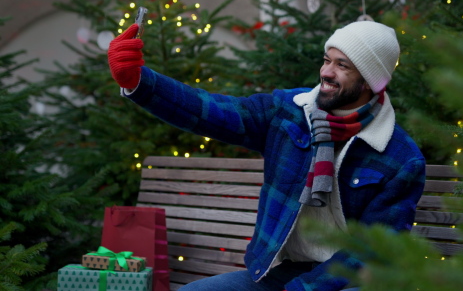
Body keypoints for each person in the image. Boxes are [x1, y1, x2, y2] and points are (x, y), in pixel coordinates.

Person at [107, 20, 426, 291]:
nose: (326, 72)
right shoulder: (288, 112)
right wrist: (140, 83)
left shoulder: (400, 158)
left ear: (370, 80)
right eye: (327, 59)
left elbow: (371, 251)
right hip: (282, 273)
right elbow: (212, 112)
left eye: (342, 65)